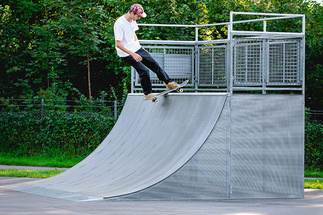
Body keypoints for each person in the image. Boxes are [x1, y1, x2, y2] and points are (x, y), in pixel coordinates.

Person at [113, 4, 179, 99]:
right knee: (144, 70)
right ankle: (147, 93)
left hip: (136, 48)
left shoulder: (132, 20)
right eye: (138, 16)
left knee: (153, 63)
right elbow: (118, 44)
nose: (139, 18)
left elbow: (133, 34)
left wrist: (139, 46)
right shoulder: (119, 24)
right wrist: (133, 54)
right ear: (132, 13)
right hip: (126, 53)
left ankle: (168, 82)